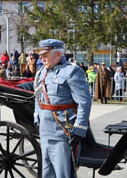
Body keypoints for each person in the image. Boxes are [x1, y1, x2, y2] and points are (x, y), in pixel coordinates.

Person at [34, 39, 91, 178]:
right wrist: (37, 117)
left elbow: (84, 102)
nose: (41, 58)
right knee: (47, 173)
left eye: (45, 55)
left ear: (58, 54)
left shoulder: (72, 71)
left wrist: (80, 128)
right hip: (45, 132)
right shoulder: (42, 72)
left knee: (63, 174)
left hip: (62, 133)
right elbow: (38, 97)